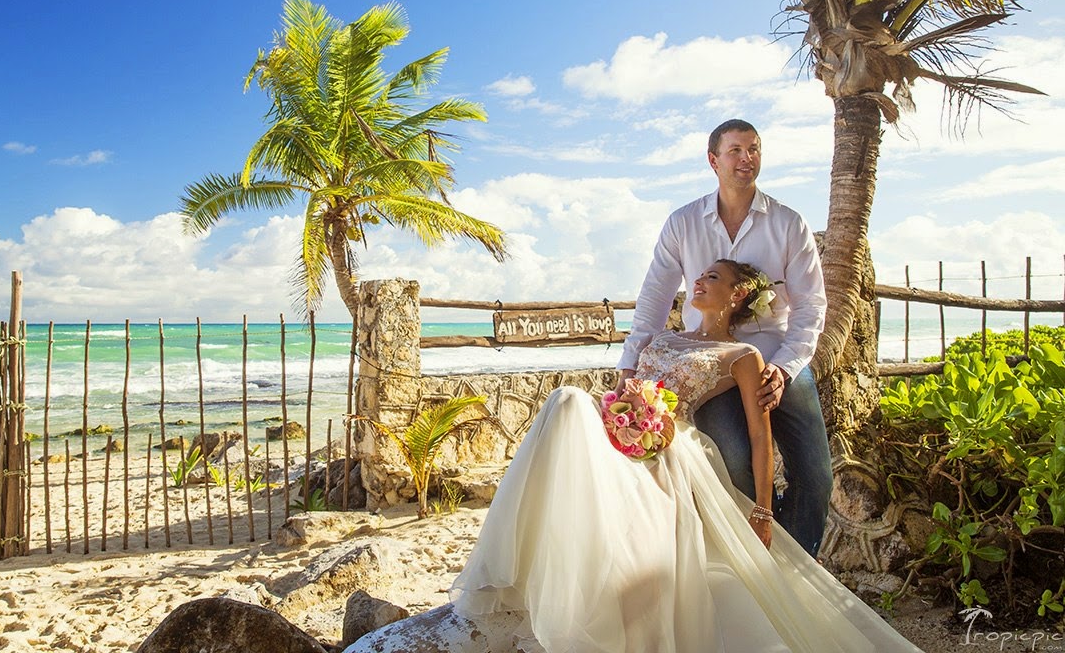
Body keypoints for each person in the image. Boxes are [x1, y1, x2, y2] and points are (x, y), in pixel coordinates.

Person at [345, 261, 920, 653]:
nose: (698, 282)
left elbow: (759, 434)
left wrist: (764, 510)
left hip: (666, 448)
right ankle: (516, 576)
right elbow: (621, 388)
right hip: (619, 424)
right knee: (568, 405)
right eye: (699, 275)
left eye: (712, 278)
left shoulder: (742, 354)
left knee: (566, 402)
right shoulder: (659, 337)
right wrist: (619, 412)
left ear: (737, 295)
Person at [618, 118, 832, 557]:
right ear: (713, 160)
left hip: (777, 359)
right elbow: (655, 298)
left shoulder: (788, 224)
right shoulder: (682, 223)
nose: (746, 158)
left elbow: (811, 306)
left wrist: (785, 369)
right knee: (735, 466)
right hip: (714, 367)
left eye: (754, 149)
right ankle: (758, 563)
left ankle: (795, 570)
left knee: (815, 475)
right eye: (735, 150)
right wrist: (628, 364)